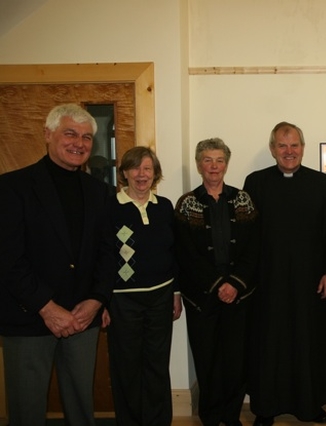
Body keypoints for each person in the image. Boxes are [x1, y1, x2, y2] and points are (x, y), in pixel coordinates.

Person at [0, 103, 113, 425]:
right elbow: (7, 259)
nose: (79, 143)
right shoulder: (11, 188)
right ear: (48, 135)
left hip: (82, 318)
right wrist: (47, 308)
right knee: (26, 410)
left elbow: (109, 252)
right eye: (70, 133)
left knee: (81, 408)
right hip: (28, 317)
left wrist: (96, 300)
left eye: (87, 137)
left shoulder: (101, 192)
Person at [243, 122, 326, 426]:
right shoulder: (255, 182)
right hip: (267, 280)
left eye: (295, 145)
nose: (289, 151)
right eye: (282, 146)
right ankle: (265, 407)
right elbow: (246, 235)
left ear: (303, 147)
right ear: (273, 149)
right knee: (268, 343)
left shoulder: (321, 183)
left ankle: (309, 405)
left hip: (309, 280)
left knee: (307, 341)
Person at [175, 138, 259, 426]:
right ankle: (210, 417)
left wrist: (234, 284)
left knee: (236, 361)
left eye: (219, 160)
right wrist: (217, 284)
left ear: (226, 164)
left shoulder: (243, 199)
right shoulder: (187, 204)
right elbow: (185, 253)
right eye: (208, 160)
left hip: (239, 294)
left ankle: (231, 415)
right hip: (202, 296)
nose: (214, 166)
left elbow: (254, 248)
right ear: (199, 165)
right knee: (207, 359)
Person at [102, 146, 182, 425]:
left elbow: (174, 253)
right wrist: (101, 300)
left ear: (155, 173)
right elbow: (102, 256)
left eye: (147, 168)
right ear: (124, 173)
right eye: (135, 168)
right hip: (123, 301)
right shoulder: (110, 207)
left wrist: (175, 293)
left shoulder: (165, 207)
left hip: (161, 297)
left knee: (157, 365)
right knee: (126, 368)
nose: (141, 174)